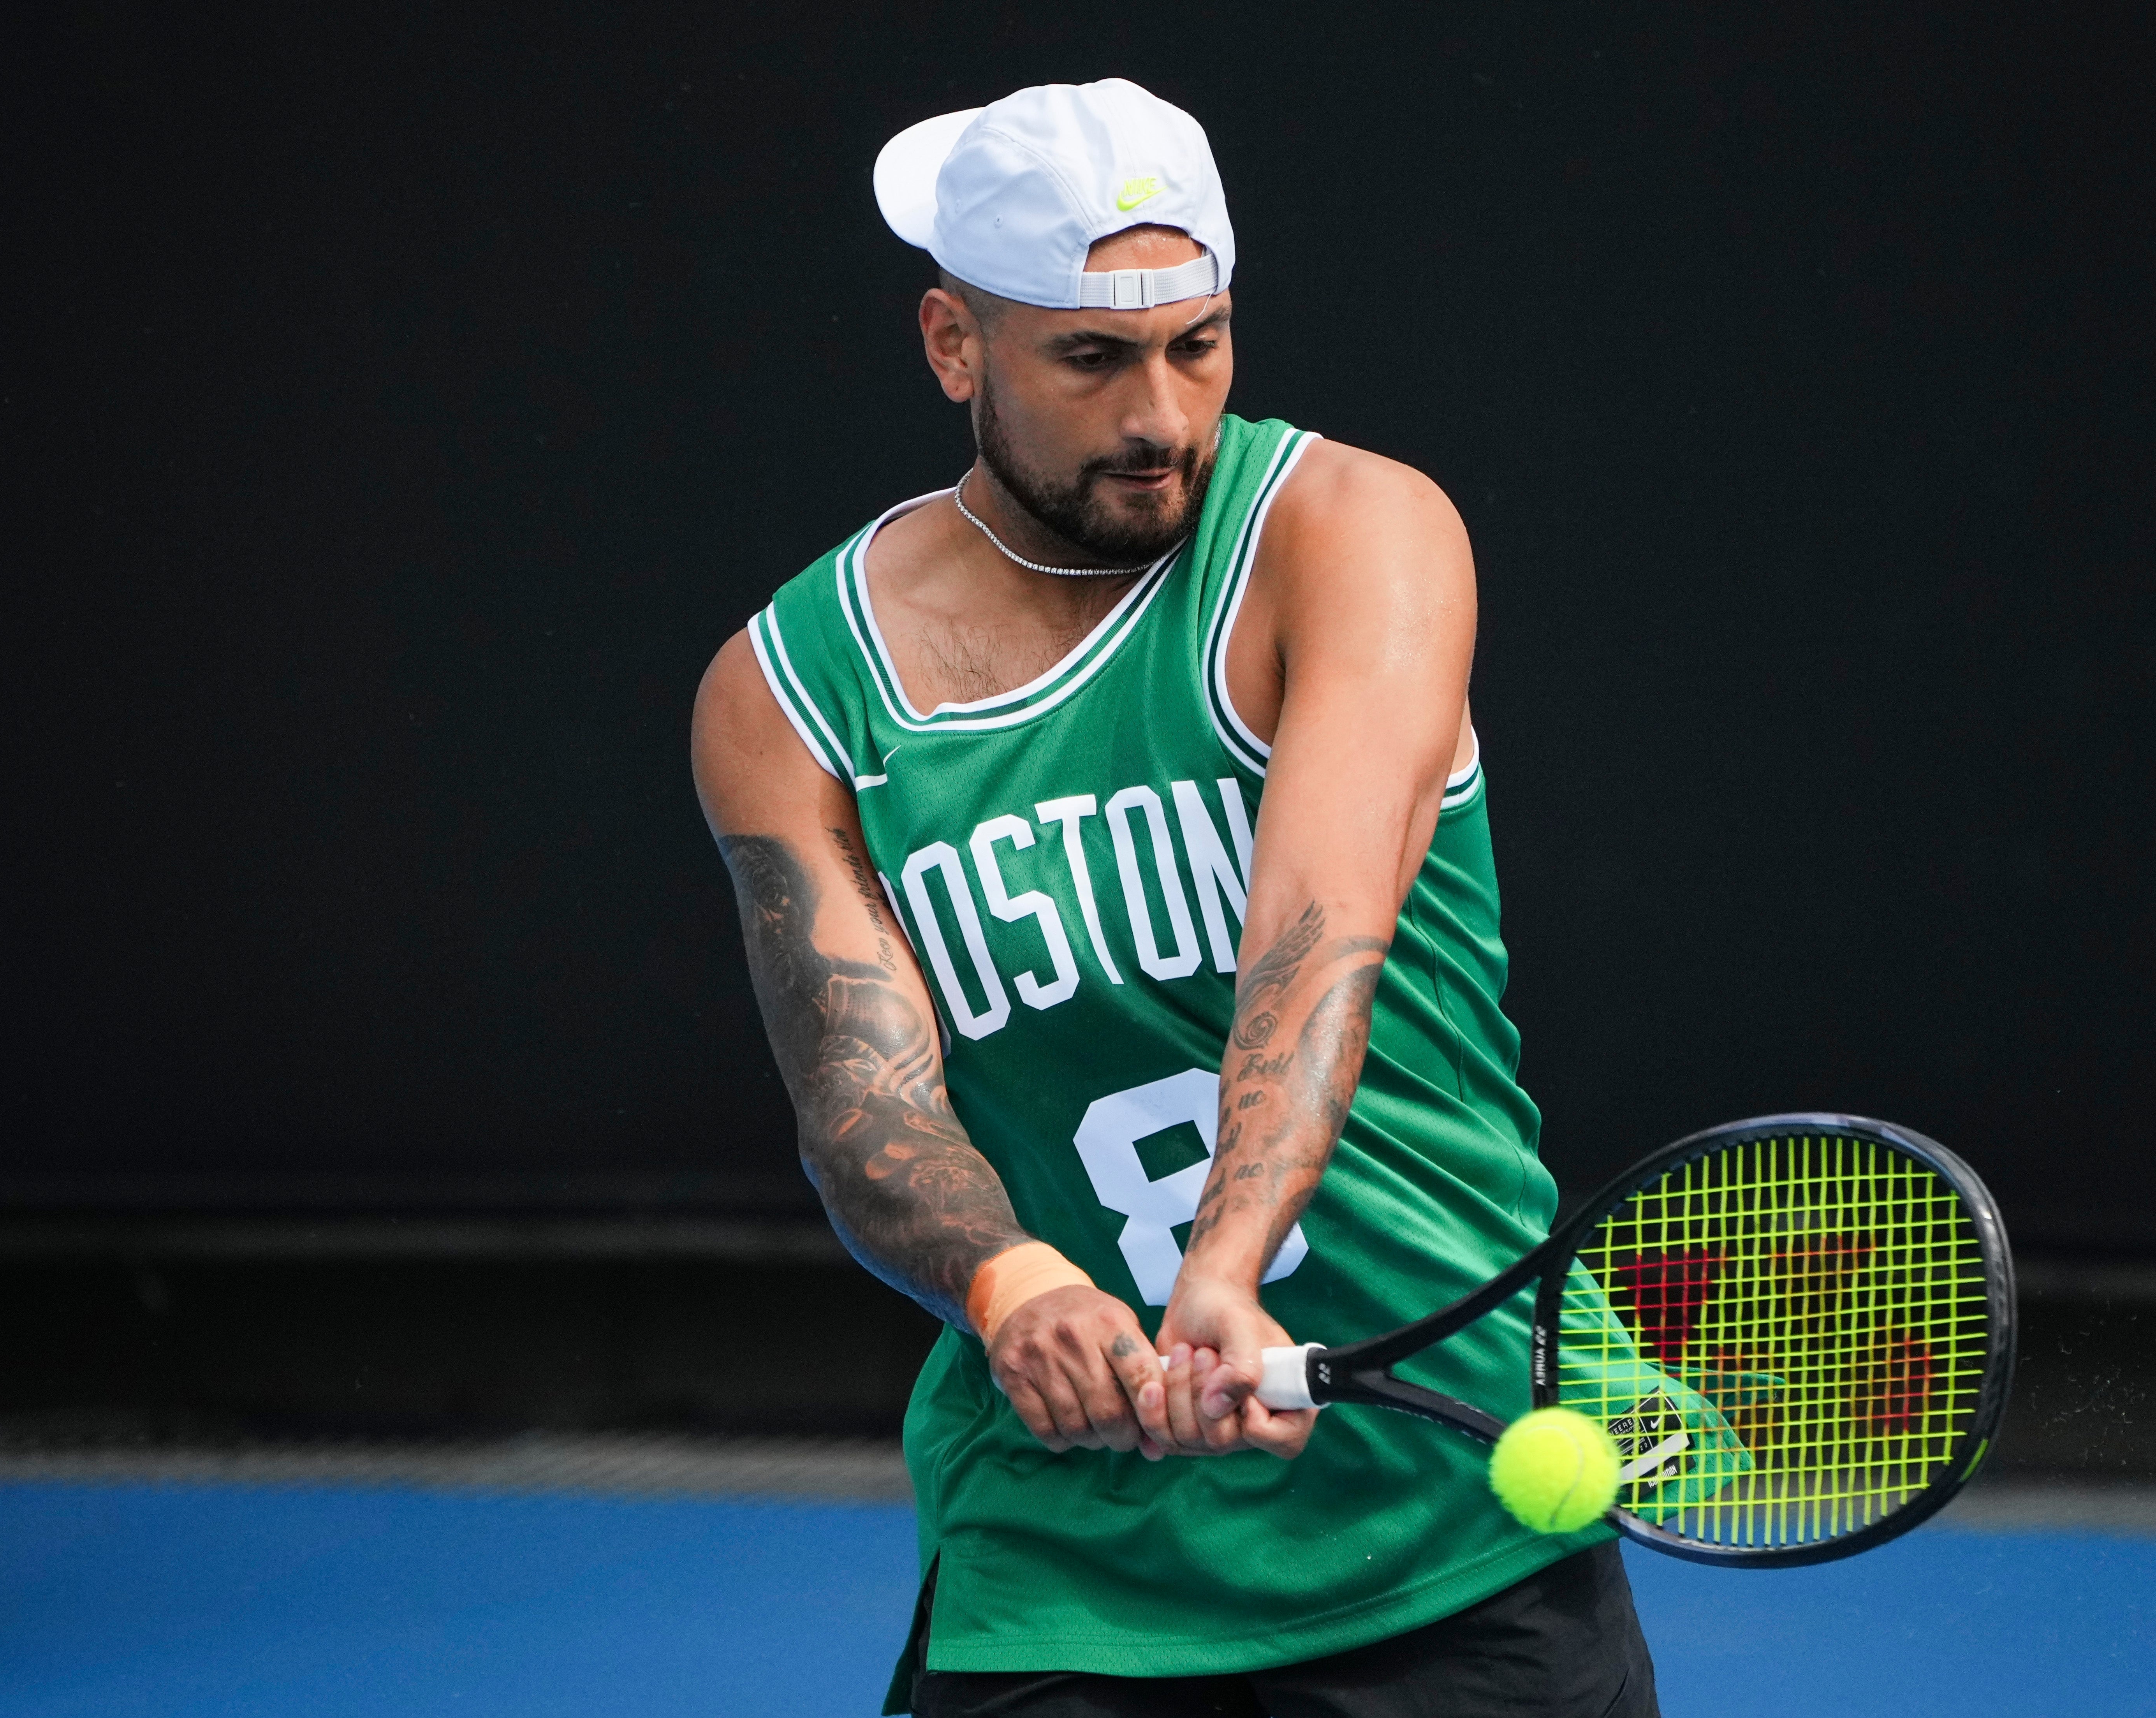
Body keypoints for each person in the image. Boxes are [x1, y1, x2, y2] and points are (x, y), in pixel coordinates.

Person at [690, 79, 1658, 1718]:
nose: (1159, 413)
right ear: (951, 344)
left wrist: (1226, 1254)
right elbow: (859, 1096)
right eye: (1089, 357)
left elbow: (1316, 928)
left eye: (1196, 344)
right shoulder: (792, 695)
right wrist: (1013, 1282)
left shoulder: (1350, 531)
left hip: (1443, 1494)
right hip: (1069, 1553)